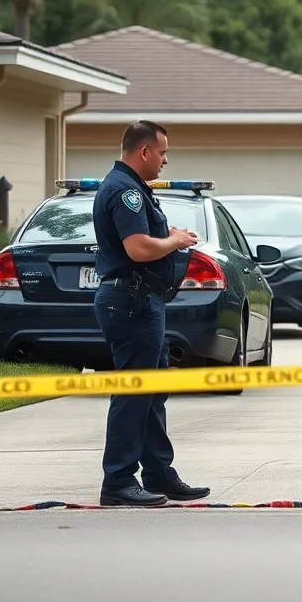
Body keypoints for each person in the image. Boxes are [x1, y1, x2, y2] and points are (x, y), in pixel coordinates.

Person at [92, 119, 213, 507]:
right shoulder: (124, 191)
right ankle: (118, 481)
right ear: (144, 152)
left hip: (143, 302)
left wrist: (168, 237)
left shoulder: (131, 188)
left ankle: (159, 473)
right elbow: (139, 249)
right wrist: (174, 240)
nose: (164, 160)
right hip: (131, 304)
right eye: (161, 152)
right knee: (134, 393)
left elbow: (144, 241)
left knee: (152, 392)